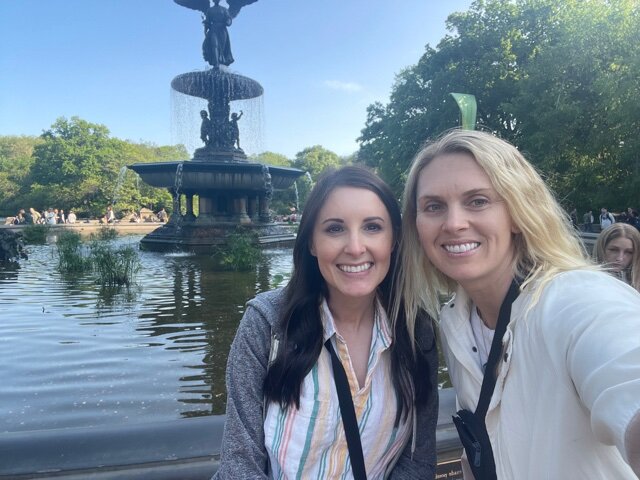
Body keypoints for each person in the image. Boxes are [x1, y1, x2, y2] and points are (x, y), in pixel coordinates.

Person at [398, 129, 640, 479]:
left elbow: (624, 371)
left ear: (517, 211)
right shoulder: (455, 321)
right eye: (433, 206)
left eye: (477, 201)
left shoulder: (576, 300)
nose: (453, 223)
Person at [214, 166, 438, 479]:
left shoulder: (416, 330)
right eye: (335, 229)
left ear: (394, 239)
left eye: (373, 227)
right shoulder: (267, 324)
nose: (356, 247)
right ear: (311, 243)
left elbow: (418, 460)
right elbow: (240, 465)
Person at [594, 223, 640, 292]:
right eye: (613, 250)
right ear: (601, 248)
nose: (620, 258)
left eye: (629, 252)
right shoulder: (588, 280)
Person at [202, 0, 234, 68]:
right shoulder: (210, 10)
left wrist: (228, 22)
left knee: (222, 48)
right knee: (214, 45)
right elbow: (207, 21)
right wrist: (205, 30)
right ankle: (216, 63)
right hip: (213, 29)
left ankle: (221, 62)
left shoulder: (224, 9)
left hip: (222, 29)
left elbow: (229, 18)